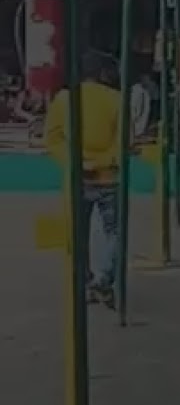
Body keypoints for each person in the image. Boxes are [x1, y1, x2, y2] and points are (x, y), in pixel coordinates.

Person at [44, 51, 124, 308]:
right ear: (103, 73)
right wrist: (101, 162)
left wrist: (77, 162)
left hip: (77, 177)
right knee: (115, 232)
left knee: (78, 234)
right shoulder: (116, 99)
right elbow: (125, 142)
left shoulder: (64, 99)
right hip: (109, 177)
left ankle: (85, 280)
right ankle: (103, 279)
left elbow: (52, 139)